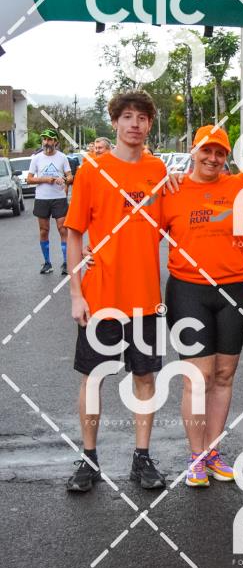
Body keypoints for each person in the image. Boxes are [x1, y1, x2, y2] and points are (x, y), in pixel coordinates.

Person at [64, 90, 167, 493]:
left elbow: (175, 220)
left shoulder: (159, 170)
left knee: (145, 378)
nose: (134, 124)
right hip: (101, 296)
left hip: (145, 297)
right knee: (94, 378)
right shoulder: (92, 169)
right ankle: (89, 458)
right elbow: (75, 234)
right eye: (127, 117)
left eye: (142, 117)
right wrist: (76, 293)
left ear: (149, 124)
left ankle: (142, 458)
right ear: (115, 122)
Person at [161, 125, 243, 487]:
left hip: (235, 290)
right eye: (207, 151)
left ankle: (213, 452)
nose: (212, 158)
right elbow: (140, 232)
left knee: (224, 375)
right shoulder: (172, 189)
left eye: (220, 153)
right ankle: (195, 456)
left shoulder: (241, 188)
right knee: (197, 379)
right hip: (188, 291)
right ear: (194, 151)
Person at [27, 130, 73, 275]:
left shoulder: (62, 157)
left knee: (62, 229)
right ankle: (47, 263)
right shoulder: (36, 158)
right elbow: (29, 179)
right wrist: (46, 179)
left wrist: (64, 180)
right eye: (44, 139)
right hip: (42, 198)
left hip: (59, 198)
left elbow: (70, 177)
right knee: (44, 230)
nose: (46, 142)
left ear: (55, 142)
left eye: (50, 139)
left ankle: (66, 263)